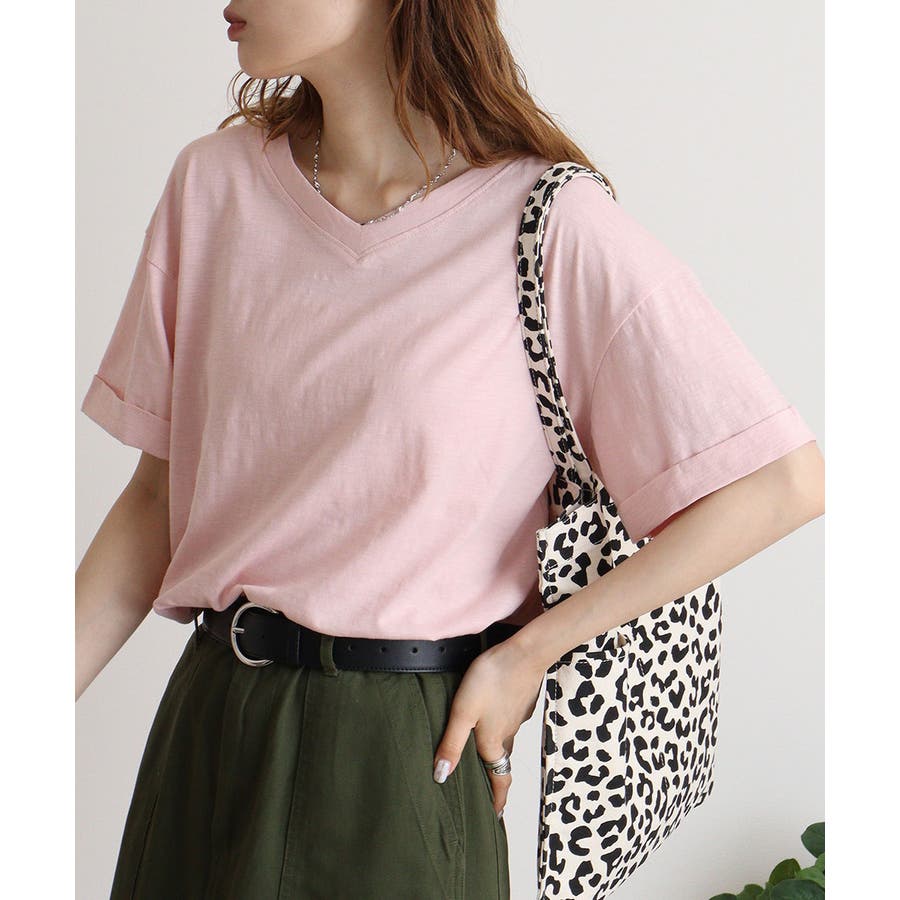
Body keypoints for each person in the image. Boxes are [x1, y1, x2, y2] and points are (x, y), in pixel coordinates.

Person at [74, 2, 825, 898]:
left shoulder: (547, 223)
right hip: (209, 733)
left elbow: (780, 482)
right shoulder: (212, 188)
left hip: (399, 756)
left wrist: (529, 653)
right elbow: (154, 502)